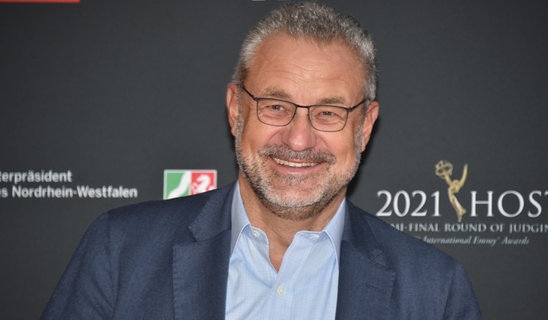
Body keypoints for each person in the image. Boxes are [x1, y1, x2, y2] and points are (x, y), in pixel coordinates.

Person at [42, 2, 481, 319]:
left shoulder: (434, 291)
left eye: (328, 113)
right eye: (275, 105)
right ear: (236, 110)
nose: (298, 138)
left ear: (364, 127)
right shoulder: (121, 252)